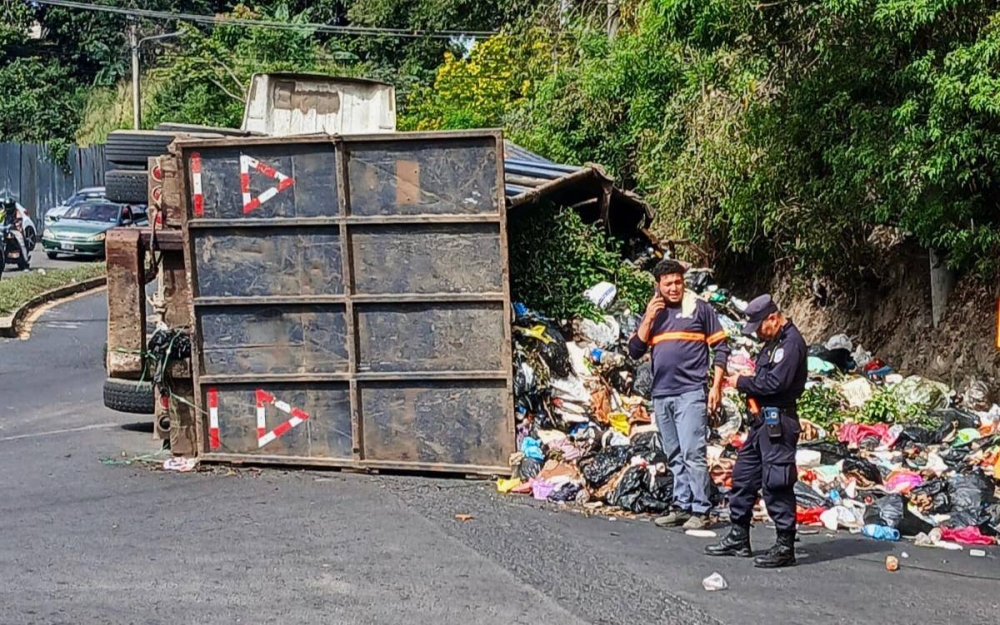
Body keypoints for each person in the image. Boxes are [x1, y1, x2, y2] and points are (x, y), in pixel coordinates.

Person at [705, 294, 807, 568]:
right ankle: (739, 535)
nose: (758, 334)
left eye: (760, 327)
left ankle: (785, 544)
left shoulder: (791, 344)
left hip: (779, 422)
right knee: (743, 476)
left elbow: (775, 383)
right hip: (760, 423)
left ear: (772, 318)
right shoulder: (773, 343)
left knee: (776, 482)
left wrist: (743, 383)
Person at [628, 259, 730, 530]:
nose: (674, 288)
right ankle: (681, 506)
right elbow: (635, 350)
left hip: (690, 392)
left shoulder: (699, 309)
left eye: (678, 282)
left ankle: (701, 509)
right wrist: (648, 317)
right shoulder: (655, 314)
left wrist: (716, 386)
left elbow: (721, 347)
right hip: (661, 394)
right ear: (658, 286)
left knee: (692, 452)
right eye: (668, 283)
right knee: (673, 452)